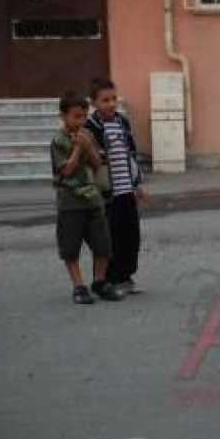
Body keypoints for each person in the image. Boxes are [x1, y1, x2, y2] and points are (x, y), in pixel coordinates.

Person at [50, 91, 125, 304]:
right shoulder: (58, 140)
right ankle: (79, 287)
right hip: (70, 202)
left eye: (83, 116)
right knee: (71, 248)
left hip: (92, 199)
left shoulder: (87, 135)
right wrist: (76, 149)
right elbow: (65, 171)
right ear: (63, 116)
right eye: (75, 116)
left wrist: (88, 146)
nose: (80, 121)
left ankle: (100, 282)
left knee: (103, 245)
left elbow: (96, 164)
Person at [85, 77, 146, 294]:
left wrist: (137, 184)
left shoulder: (122, 122)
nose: (111, 104)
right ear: (93, 103)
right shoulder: (89, 127)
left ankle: (125, 277)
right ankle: (106, 280)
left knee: (131, 235)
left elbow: (131, 155)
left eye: (113, 99)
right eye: (105, 100)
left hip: (126, 190)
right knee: (109, 238)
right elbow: (90, 162)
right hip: (107, 194)